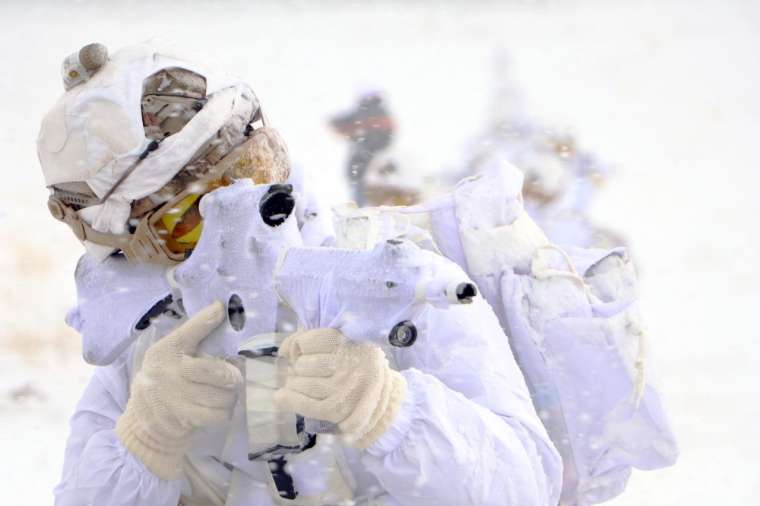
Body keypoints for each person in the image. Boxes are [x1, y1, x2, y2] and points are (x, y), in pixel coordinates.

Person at [39, 43, 561, 505]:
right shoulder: (148, 351)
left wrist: (389, 410)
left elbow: (526, 484)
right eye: (188, 218)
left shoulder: (397, 283)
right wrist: (144, 441)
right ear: (133, 247)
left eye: (254, 171)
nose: (245, 214)